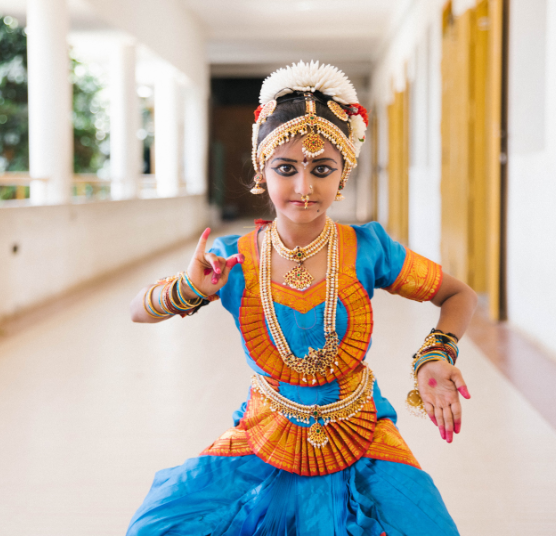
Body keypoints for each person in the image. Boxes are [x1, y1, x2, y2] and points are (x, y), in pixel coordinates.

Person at [126, 61, 478, 536]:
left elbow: (458, 294)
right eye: (286, 168)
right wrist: (189, 289)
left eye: (322, 169)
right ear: (262, 170)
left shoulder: (369, 248)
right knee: (156, 526)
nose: (304, 187)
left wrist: (436, 354)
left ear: (343, 173)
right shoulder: (232, 259)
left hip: (362, 429)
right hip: (265, 429)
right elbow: (137, 311)